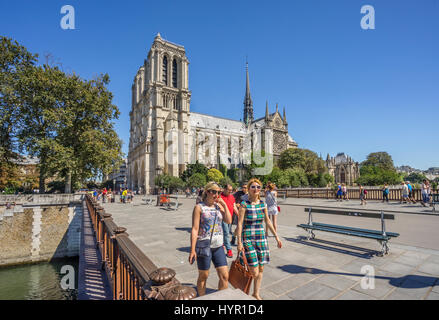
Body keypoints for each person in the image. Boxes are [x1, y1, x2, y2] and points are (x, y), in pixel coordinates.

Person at [236, 178, 282, 300]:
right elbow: (240, 224)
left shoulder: (263, 204)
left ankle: (256, 293)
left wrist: (276, 236)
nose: (256, 189)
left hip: (261, 238)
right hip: (248, 239)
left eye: (258, 187)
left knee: (261, 268)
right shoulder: (244, 204)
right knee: (254, 271)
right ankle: (243, 289)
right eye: (253, 187)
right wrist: (239, 242)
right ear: (249, 189)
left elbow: (267, 221)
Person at [189, 182, 232, 297]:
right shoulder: (199, 207)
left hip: (218, 246)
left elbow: (228, 220)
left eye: (219, 192)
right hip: (204, 246)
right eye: (213, 191)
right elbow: (195, 229)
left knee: (224, 276)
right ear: (207, 192)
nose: (216, 194)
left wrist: (224, 204)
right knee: (204, 276)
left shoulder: (219, 206)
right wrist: (192, 250)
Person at [220, 184, 239, 258]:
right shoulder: (220, 197)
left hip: (230, 218)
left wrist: (239, 215)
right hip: (223, 218)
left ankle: (222, 245)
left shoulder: (231, 197)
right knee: (226, 233)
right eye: (229, 190)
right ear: (224, 189)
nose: (231, 192)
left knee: (225, 233)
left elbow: (234, 206)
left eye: (231, 190)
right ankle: (229, 250)